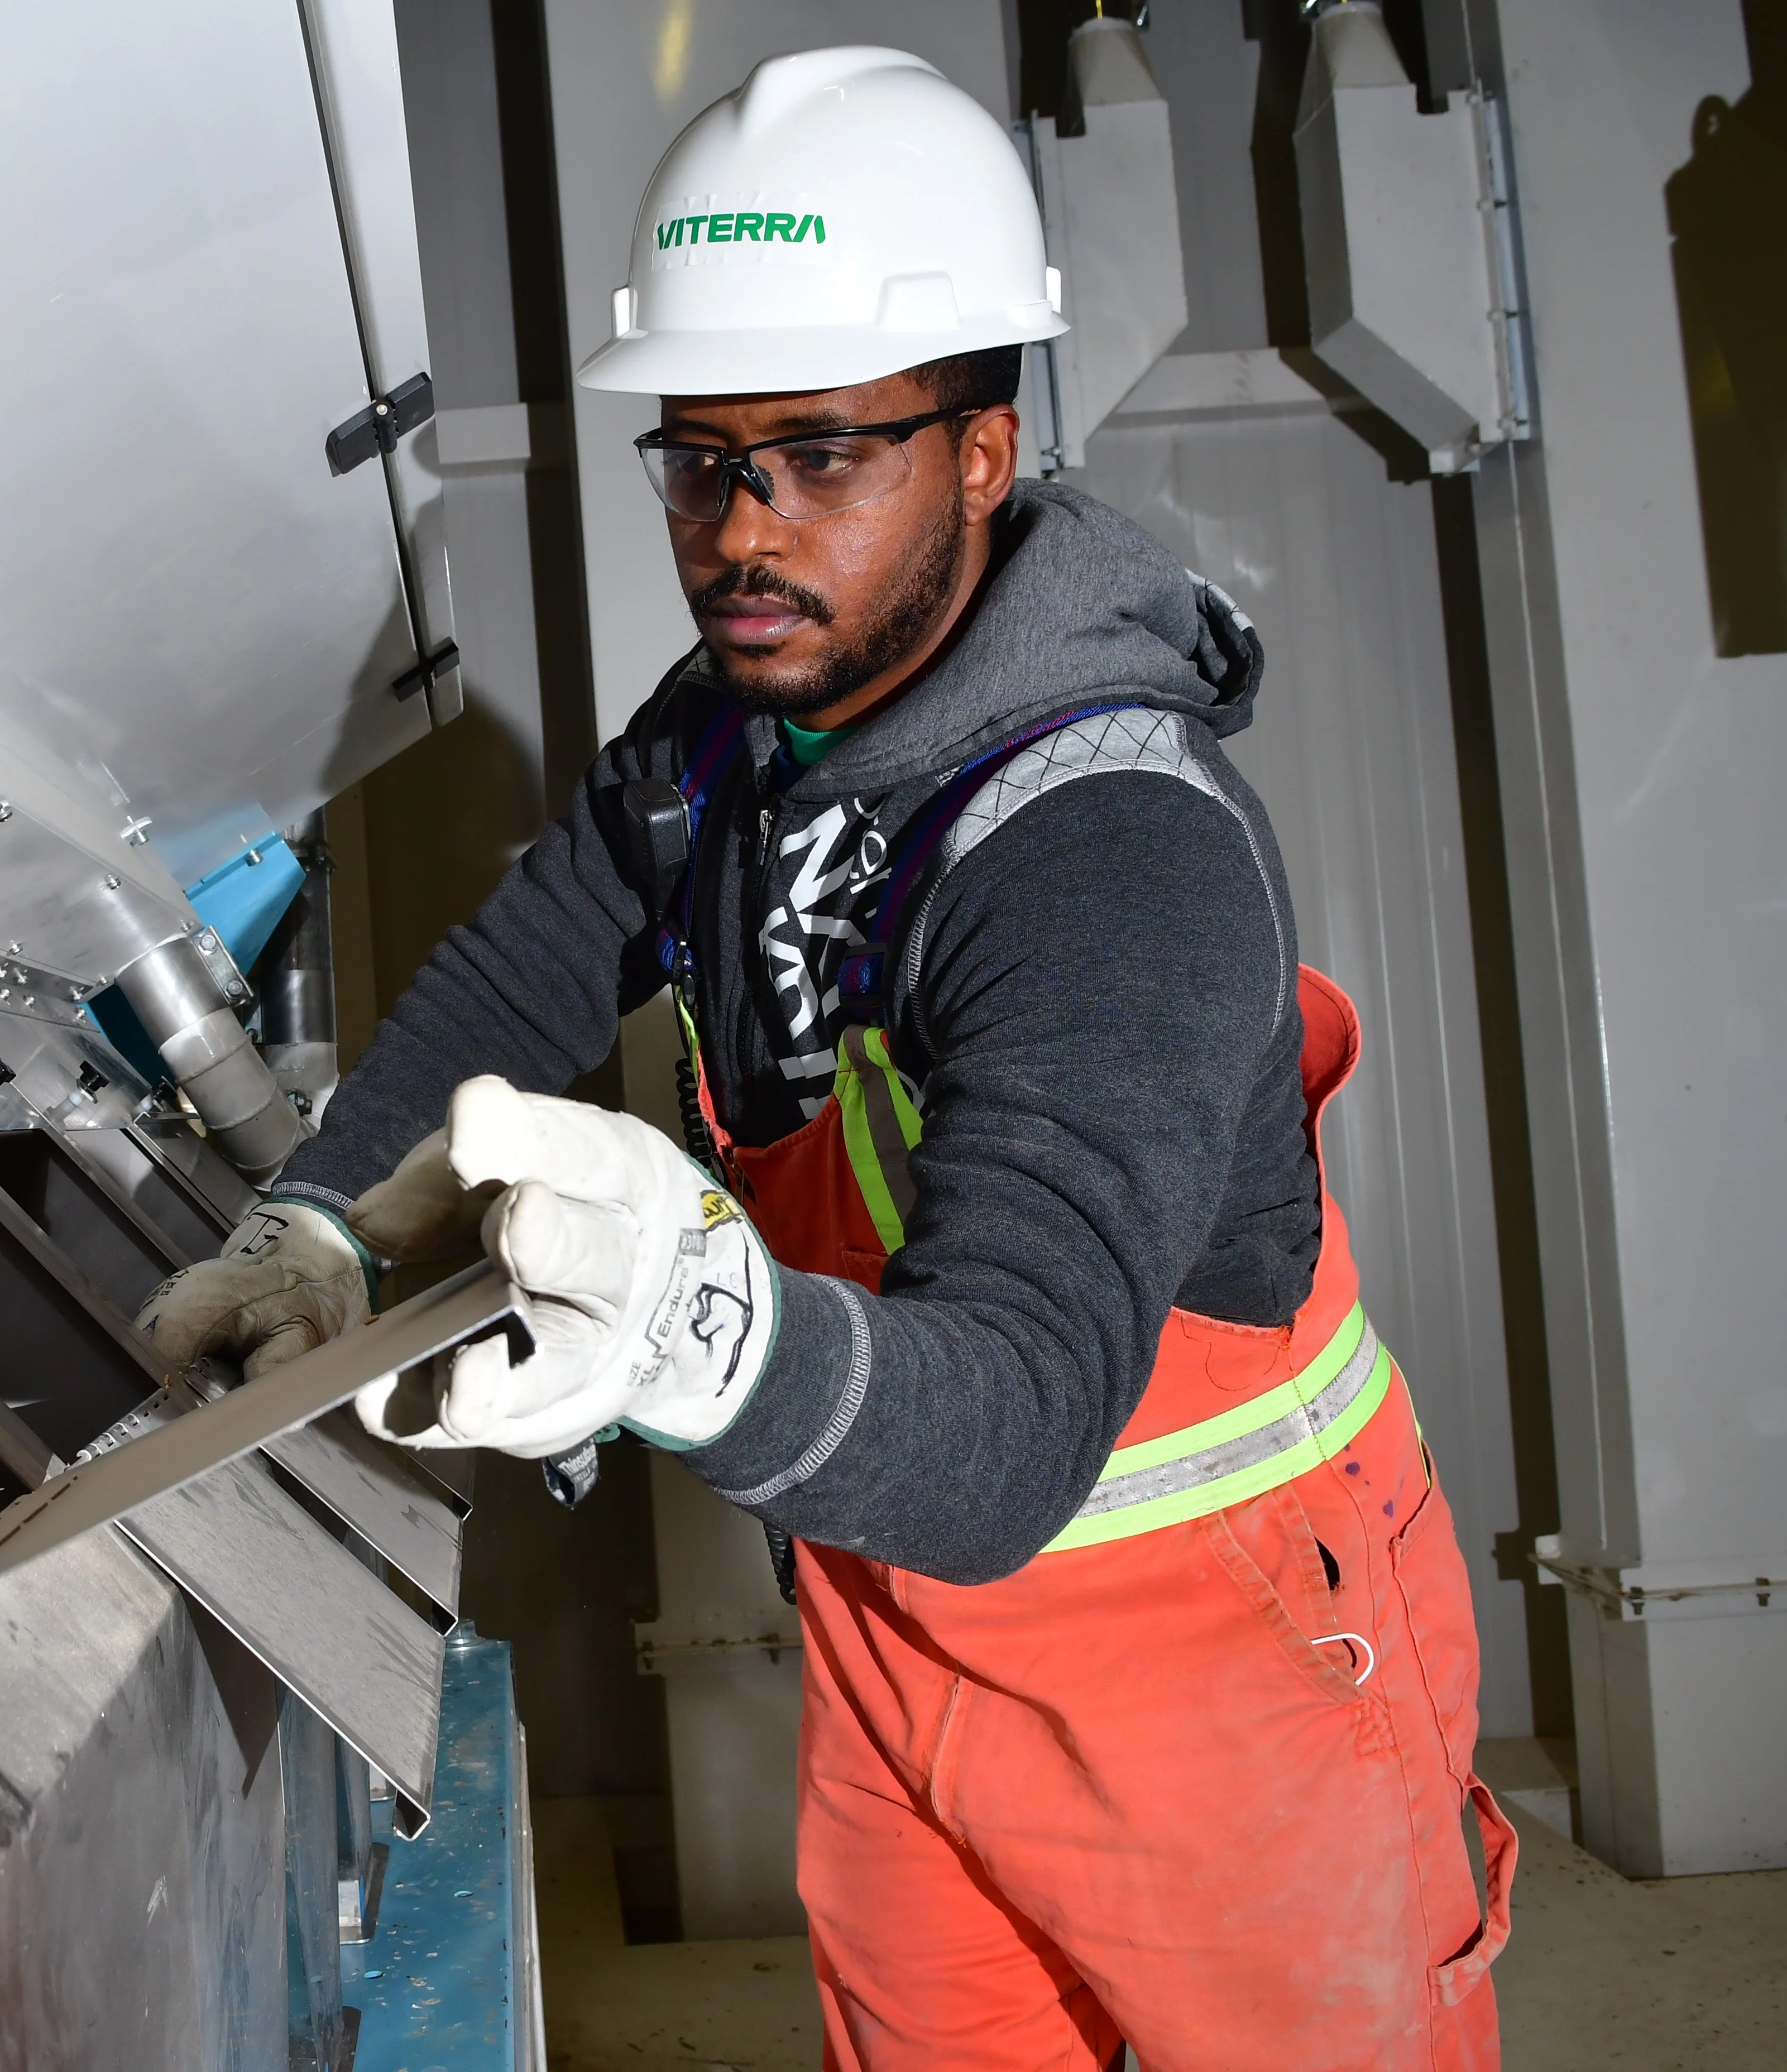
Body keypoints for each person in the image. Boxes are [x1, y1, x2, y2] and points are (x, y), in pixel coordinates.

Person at [137, 46, 1510, 2072]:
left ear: (982, 447)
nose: (739, 534)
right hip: (886, 1618)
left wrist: (686, 1339)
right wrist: (324, 1217)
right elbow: (533, 956)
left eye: (820, 455)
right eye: (699, 459)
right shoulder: (733, 735)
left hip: (1217, 1661)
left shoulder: (1109, 849)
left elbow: (1025, 1422)